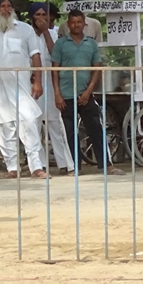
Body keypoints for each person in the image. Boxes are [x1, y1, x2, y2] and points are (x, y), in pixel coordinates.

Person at [0, 0, 47, 179]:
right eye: (2, 6)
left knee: (29, 124)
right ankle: (12, 168)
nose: (6, 9)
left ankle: (36, 167)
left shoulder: (25, 30)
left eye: (9, 6)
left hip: (21, 88)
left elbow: (35, 56)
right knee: (4, 127)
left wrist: (38, 82)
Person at [51, 9, 124, 175]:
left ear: (84, 23)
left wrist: (88, 91)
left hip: (85, 94)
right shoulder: (60, 44)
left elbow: (97, 69)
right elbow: (54, 71)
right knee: (70, 132)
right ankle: (75, 167)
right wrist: (57, 94)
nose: (76, 25)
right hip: (66, 94)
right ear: (68, 24)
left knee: (96, 128)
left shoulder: (91, 44)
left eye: (79, 22)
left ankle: (106, 165)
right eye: (73, 22)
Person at [29, 3, 75, 175]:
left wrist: (46, 32)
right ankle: (40, 164)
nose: (41, 18)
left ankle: (65, 164)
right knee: (34, 123)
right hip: (32, 82)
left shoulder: (54, 34)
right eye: (38, 15)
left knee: (55, 123)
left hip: (51, 82)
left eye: (44, 15)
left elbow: (55, 54)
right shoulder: (27, 34)